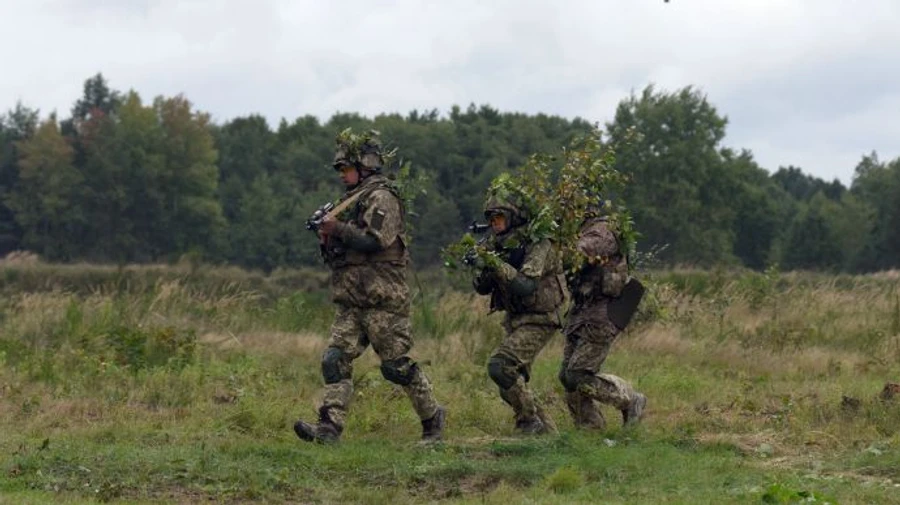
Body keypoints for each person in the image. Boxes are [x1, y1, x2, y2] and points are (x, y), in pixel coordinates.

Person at [294, 132, 445, 443]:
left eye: (345, 168)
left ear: (365, 165)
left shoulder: (382, 197)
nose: (341, 175)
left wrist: (338, 228)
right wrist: (327, 237)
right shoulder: (350, 201)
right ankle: (329, 428)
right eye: (339, 169)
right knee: (334, 359)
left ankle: (433, 420)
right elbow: (342, 252)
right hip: (352, 300)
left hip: (383, 300)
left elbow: (373, 240)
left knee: (395, 368)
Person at [471, 191, 567, 434]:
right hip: (515, 318)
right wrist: (480, 265)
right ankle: (548, 435)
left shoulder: (539, 243)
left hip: (540, 318)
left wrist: (495, 263)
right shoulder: (498, 244)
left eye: (499, 218)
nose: (495, 224)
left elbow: (526, 285)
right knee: (511, 385)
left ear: (514, 217)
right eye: (491, 220)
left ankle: (528, 422)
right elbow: (482, 289)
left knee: (500, 367)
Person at [559, 205, 647, 430]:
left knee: (577, 375)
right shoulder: (578, 233)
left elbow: (581, 252)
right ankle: (591, 430)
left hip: (601, 315)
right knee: (566, 376)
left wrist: (555, 247)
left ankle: (629, 398)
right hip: (580, 312)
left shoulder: (602, 231)